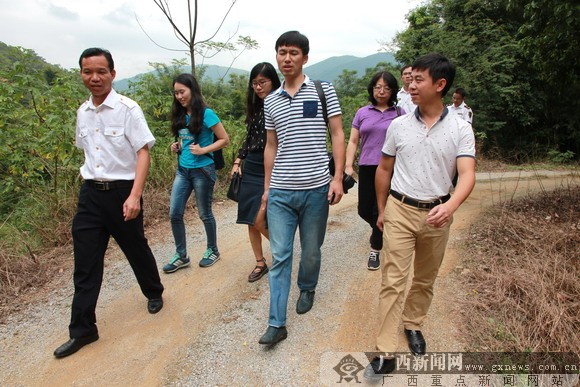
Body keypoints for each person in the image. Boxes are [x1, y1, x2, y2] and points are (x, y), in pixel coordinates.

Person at [365, 53, 476, 378]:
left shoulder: (460, 127)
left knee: (425, 278)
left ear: (440, 85)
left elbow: (467, 174)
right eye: (410, 80)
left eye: (419, 80)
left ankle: (413, 324)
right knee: (393, 282)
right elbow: (384, 169)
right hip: (400, 209)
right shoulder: (398, 125)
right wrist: (382, 211)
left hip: (438, 214)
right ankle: (386, 351)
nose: (410, 85)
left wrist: (452, 205)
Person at [54, 48, 165, 359]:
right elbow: (88, 152)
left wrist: (134, 196)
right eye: (88, 72)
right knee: (86, 264)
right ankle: (83, 329)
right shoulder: (82, 112)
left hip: (122, 192)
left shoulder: (128, 110)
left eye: (101, 71)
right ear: (81, 74)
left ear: (113, 74)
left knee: (135, 247)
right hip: (90, 194)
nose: (95, 77)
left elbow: (143, 152)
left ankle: (154, 291)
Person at [258, 31, 345, 345]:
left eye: (293, 52)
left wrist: (337, 178)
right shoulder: (270, 101)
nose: (287, 58)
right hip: (281, 192)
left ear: (305, 57)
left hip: (316, 189)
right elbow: (271, 146)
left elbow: (337, 134)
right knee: (280, 255)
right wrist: (267, 189)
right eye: (281, 52)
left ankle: (307, 286)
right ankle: (276, 323)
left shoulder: (323, 91)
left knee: (310, 251)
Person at [162, 73, 229, 273]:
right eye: (176, 93)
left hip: (203, 170)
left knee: (204, 213)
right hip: (183, 170)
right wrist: (177, 146)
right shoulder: (180, 114)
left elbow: (224, 139)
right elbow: (185, 139)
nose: (179, 96)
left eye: (182, 92)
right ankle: (181, 256)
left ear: (193, 90)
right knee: (175, 213)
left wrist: (203, 150)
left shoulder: (207, 113)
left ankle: (212, 250)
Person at [345, 71, 404, 271]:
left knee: (381, 209)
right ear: (372, 89)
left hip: (390, 167)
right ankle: (386, 230)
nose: (381, 91)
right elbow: (353, 141)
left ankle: (375, 248)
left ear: (393, 91)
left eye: (387, 88)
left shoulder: (399, 113)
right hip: (367, 166)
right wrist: (348, 164)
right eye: (378, 87)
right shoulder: (363, 112)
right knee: (364, 210)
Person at [230, 63, 281, 282]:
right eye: (255, 83)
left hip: (271, 166)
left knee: (262, 217)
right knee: (250, 219)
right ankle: (260, 262)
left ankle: (282, 252)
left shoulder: (280, 104)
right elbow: (250, 137)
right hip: (251, 166)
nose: (258, 87)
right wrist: (238, 159)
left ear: (273, 82)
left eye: (263, 82)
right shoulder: (256, 107)